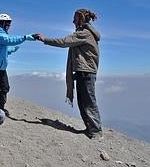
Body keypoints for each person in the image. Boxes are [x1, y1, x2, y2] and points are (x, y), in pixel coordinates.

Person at [34, 9, 102, 139]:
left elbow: (63, 42)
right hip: (84, 72)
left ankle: (96, 131)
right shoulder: (85, 33)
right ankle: (91, 129)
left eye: (75, 19)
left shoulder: (84, 33)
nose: (73, 21)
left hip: (86, 72)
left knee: (88, 102)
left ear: (81, 19)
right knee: (83, 102)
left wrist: (44, 39)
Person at [0, 13, 36, 116]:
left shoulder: (2, 35)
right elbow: (9, 41)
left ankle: (0, 108)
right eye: (7, 24)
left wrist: (12, 49)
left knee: (5, 87)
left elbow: (3, 49)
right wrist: (25, 37)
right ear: (2, 23)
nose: (9, 26)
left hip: (1, 67)